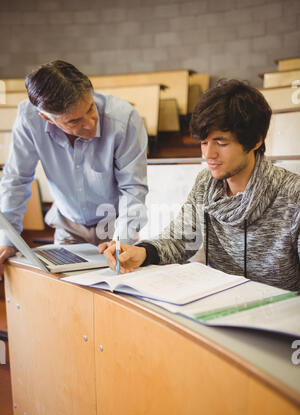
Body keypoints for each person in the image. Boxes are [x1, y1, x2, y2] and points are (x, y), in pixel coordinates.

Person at [100, 79, 300, 291]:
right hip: (218, 308)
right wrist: (142, 252)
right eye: (204, 142)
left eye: (221, 143)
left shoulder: (293, 195)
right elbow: (179, 240)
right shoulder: (207, 183)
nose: (209, 154)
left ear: (256, 141)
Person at [0, 60, 148, 275]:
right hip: (67, 224)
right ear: (46, 118)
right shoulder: (29, 119)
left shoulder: (124, 119)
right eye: (74, 121)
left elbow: (133, 189)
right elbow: (16, 181)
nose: (89, 123)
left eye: (90, 109)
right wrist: (8, 240)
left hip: (115, 225)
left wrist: (121, 241)